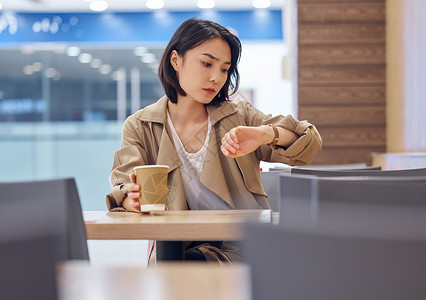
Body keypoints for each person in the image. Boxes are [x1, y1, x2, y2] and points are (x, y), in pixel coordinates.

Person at [106, 18, 322, 261]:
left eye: (224, 69)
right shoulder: (140, 125)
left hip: (246, 248)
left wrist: (265, 134)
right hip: (178, 247)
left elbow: (309, 141)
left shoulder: (239, 117)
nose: (216, 78)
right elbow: (123, 186)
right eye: (207, 64)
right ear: (176, 60)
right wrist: (130, 199)